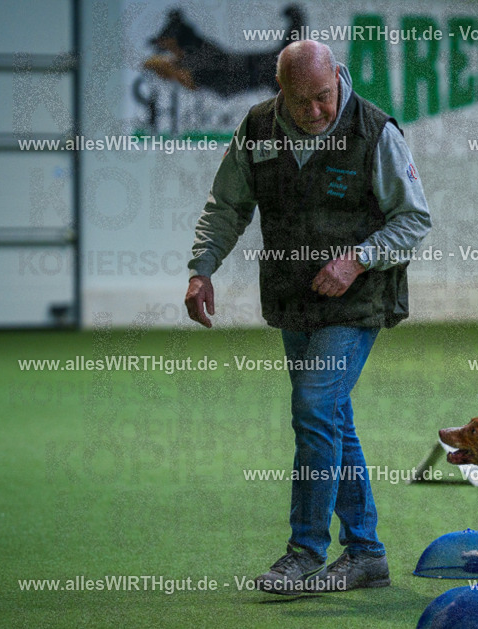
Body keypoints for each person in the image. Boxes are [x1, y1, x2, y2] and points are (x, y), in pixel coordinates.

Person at [184, 40, 431, 593]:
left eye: (324, 97)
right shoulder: (257, 128)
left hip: (357, 297)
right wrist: (202, 269)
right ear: (281, 94)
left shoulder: (375, 132)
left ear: (338, 78)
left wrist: (358, 259)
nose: (315, 110)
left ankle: (304, 551)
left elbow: (413, 219)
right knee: (332, 418)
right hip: (294, 296)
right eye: (301, 102)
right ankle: (366, 552)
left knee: (315, 407)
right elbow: (227, 205)